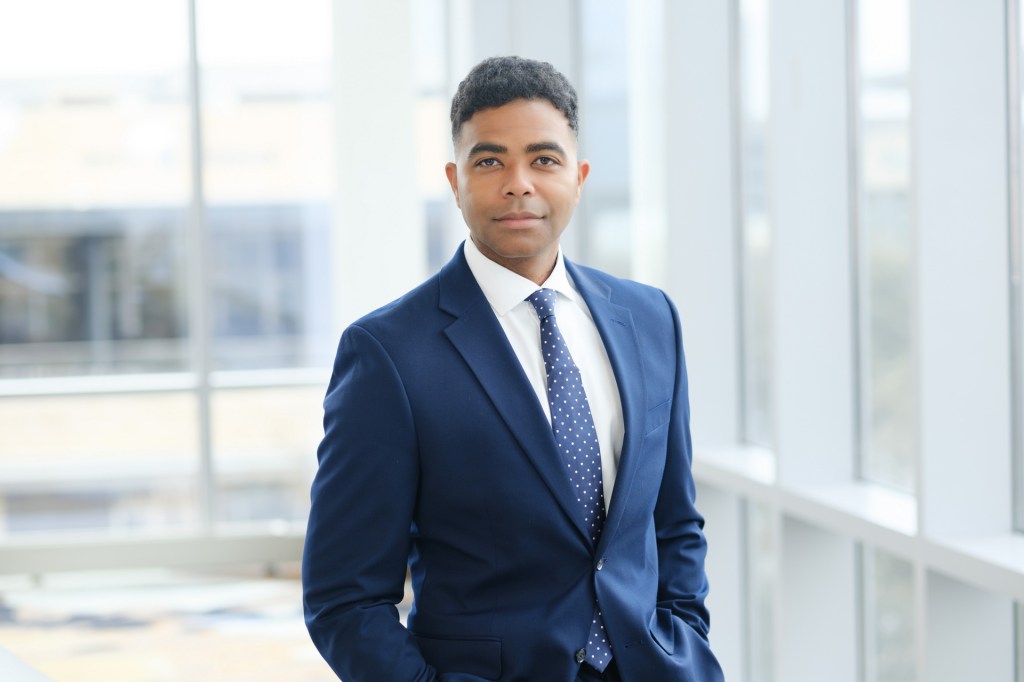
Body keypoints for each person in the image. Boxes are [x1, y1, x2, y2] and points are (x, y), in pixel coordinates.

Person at [302, 55, 724, 682]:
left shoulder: (649, 318)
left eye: (544, 160)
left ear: (578, 177)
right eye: (490, 161)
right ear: (455, 180)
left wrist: (684, 637)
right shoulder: (388, 353)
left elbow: (674, 523)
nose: (518, 183)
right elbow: (344, 598)